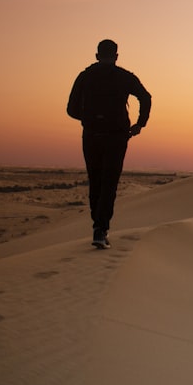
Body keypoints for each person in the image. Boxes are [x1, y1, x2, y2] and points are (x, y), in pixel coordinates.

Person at [67, 39, 151, 248]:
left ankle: (98, 226)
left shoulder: (85, 76)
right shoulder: (124, 77)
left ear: (97, 55)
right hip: (116, 136)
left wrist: (90, 120)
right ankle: (101, 228)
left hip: (92, 135)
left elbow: (71, 109)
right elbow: (146, 97)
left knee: (95, 181)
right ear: (116, 56)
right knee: (109, 182)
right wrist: (140, 124)